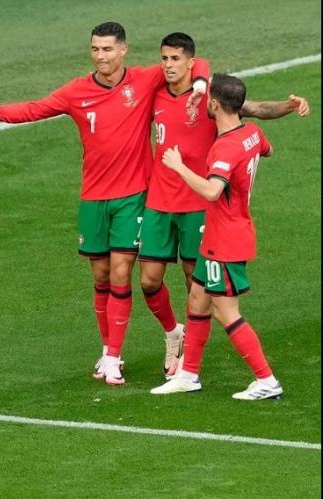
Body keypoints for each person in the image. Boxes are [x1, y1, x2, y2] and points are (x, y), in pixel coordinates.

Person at [0, 22, 209, 385]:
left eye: (108, 49)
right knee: (101, 276)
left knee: (123, 271)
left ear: (123, 50)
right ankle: (162, 334)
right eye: (95, 49)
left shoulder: (144, 80)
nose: (101, 56)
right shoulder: (76, 91)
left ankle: (113, 358)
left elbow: (196, 61)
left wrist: (201, 84)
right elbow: (35, 109)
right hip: (93, 197)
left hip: (133, 195)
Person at [140, 33, 310, 379]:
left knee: (209, 296)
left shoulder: (216, 112)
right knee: (160, 284)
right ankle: (181, 354)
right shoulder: (158, 96)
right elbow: (264, 146)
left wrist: (288, 107)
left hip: (206, 211)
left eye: (176, 59)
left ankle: (251, 377)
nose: (168, 65)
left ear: (190, 63)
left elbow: (255, 110)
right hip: (166, 204)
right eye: (164, 59)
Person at [150, 74, 282, 399]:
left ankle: (266, 380)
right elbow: (268, 150)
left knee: (226, 312)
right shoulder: (252, 133)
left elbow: (212, 190)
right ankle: (188, 375)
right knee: (197, 299)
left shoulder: (224, 146)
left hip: (226, 239)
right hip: (220, 234)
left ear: (215, 104)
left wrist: (178, 166)